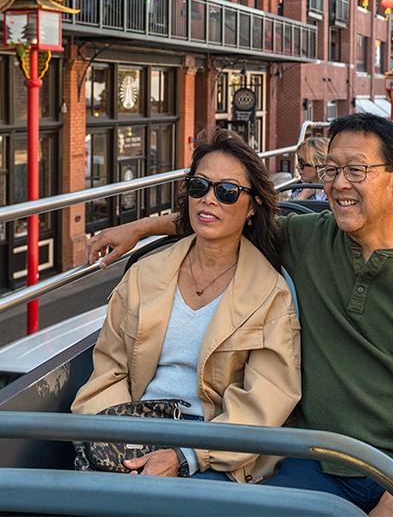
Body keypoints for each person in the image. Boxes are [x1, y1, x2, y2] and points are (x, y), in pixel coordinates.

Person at [87, 114, 393, 516]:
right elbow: (221, 213)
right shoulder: (307, 237)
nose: (338, 183)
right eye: (331, 169)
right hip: (318, 460)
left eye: (356, 170)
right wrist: (138, 229)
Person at [73, 129, 301, 483]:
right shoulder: (145, 275)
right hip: (135, 430)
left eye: (227, 192)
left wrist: (187, 456)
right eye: (199, 186)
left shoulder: (271, 295)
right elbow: (109, 369)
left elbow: (265, 401)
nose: (209, 200)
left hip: (214, 450)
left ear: (253, 205)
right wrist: (121, 439)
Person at [291, 136, 328, 201]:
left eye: (302, 163)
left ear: (320, 166)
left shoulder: (336, 191)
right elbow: (291, 210)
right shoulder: (299, 187)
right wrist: (303, 196)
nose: (297, 166)